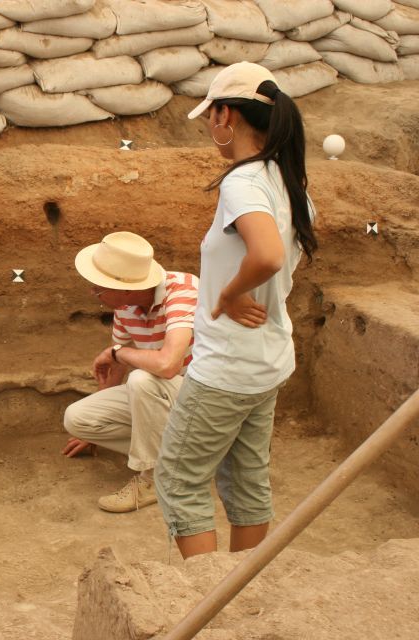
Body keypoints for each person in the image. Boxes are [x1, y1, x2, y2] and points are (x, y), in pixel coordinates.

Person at [154, 62, 318, 558]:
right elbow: (285, 259)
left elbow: (266, 255)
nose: (209, 127)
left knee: (179, 480)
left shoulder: (243, 182)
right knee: (246, 482)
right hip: (266, 361)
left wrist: (228, 293)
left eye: (211, 116)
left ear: (226, 114)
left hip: (226, 367)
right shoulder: (291, 183)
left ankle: (209, 604)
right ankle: (242, 590)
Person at [62, 231, 198, 513]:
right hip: (170, 398)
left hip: (203, 398)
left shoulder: (184, 291)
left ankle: (153, 479)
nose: (93, 292)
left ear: (124, 288)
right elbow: (117, 364)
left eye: (99, 288)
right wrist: (94, 432)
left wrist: (117, 352)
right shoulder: (127, 305)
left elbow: (167, 364)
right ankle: (184, 463)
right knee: (78, 419)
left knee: (144, 379)